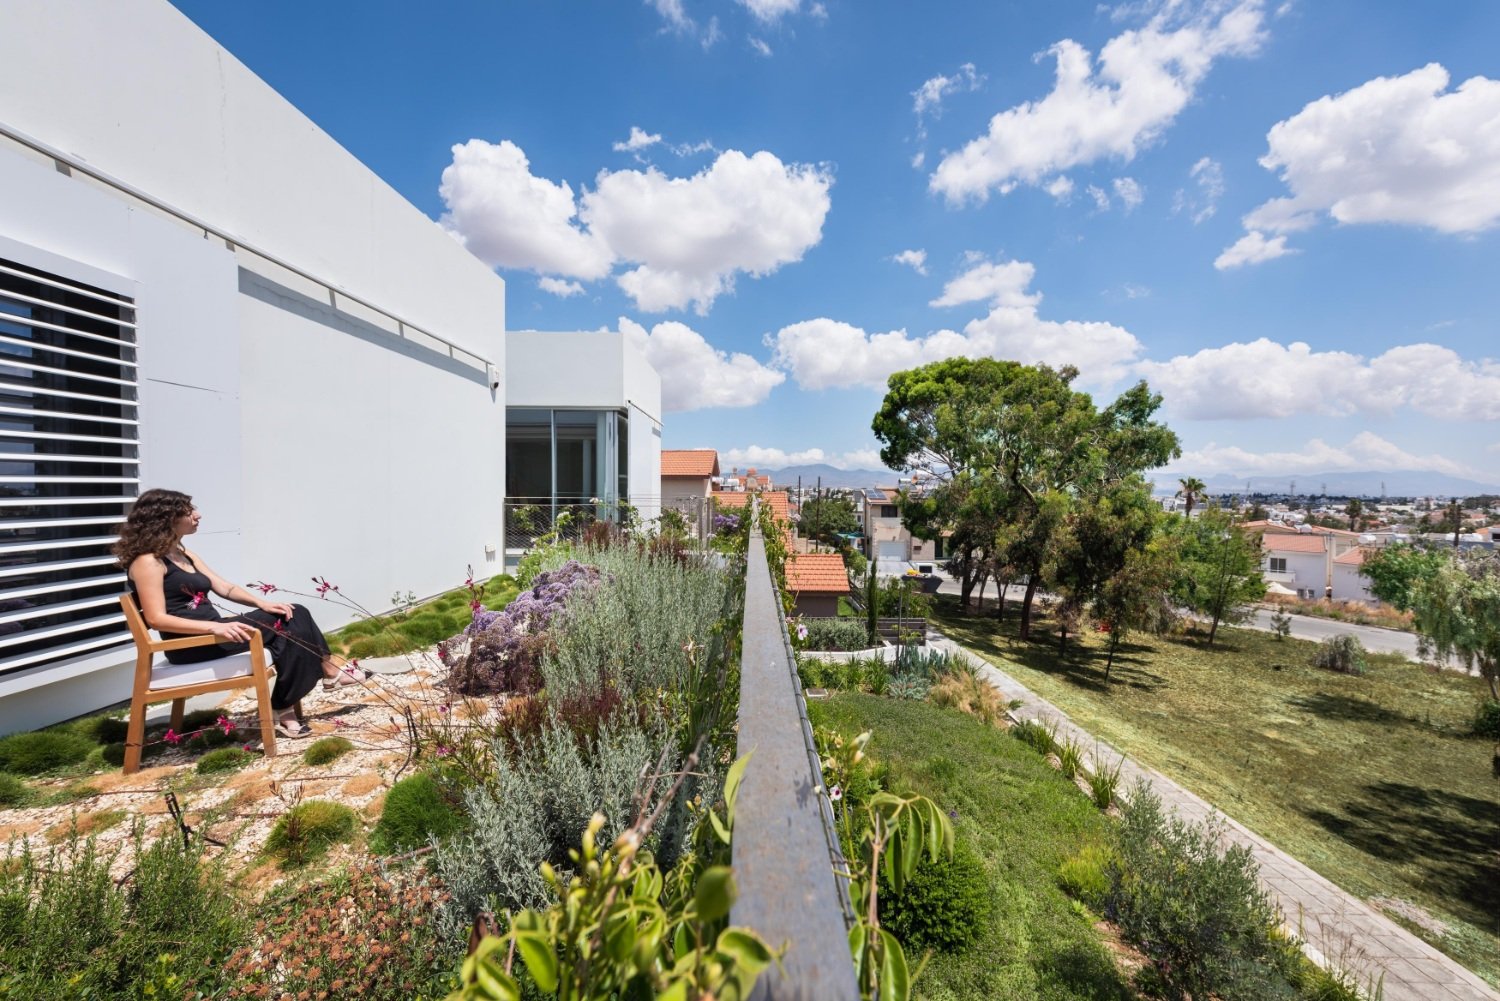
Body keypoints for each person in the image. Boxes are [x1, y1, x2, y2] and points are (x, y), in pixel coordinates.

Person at [113, 488, 368, 738]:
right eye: (189, 511)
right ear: (166, 518)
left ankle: (297, 699)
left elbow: (225, 587)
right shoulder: (148, 562)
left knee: (290, 615)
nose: (198, 515)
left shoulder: (182, 553)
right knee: (291, 620)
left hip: (220, 632)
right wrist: (215, 628)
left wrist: (262, 604)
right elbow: (156, 618)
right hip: (193, 644)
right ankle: (311, 686)